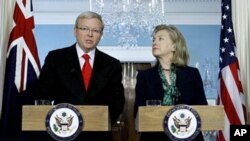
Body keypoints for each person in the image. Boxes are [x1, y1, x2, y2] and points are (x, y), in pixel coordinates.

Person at [23, 11, 125, 141]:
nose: (90, 34)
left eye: (95, 30)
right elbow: (43, 93)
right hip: (63, 133)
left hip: (98, 134)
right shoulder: (56, 58)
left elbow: (117, 101)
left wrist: (101, 121)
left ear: (100, 35)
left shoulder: (112, 64)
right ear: (75, 31)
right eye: (85, 29)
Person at [134, 24, 208, 141]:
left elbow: (202, 108)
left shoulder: (192, 74)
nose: (154, 42)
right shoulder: (144, 76)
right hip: (154, 137)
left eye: (160, 39)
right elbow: (138, 113)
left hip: (188, 136)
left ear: (174, 46)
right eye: (153, 39)